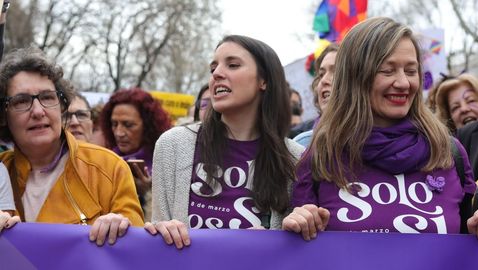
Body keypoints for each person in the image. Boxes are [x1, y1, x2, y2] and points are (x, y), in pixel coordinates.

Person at [282, 17, 478, 240]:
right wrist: (296, 226)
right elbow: (307, 251)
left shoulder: (448, 151)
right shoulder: (321, 155)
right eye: (387, 70)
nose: (403, 83)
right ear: (355, 77)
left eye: (411, 70)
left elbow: (466, 236)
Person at [145, 35, 304, 249]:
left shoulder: (295, 158)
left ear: (263, 80)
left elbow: (293, 250)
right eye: (213, 68)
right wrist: (161, 229)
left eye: (233, 65)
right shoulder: (173, 144)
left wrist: (275, 238)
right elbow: (158, 233)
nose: (217, 74)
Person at [0, 47, 144, 245]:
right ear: (3, 115)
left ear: (62, 105)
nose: (38, 111)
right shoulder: (1, 171)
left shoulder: (109, 168)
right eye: (21, 101)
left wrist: (123, 229)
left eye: (47, 97)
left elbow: (136, 252)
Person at [100, 87, 172, 220]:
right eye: (114, 124)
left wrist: (150, 192)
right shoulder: (103, 161)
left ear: (148, 126)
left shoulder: (167, 162)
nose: (119, 132)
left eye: (128, 125)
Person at [293, 43, 339, 147]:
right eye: (321, 74)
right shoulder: (302, 146)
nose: (323, 81)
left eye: (335, 71)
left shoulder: (382, 135)